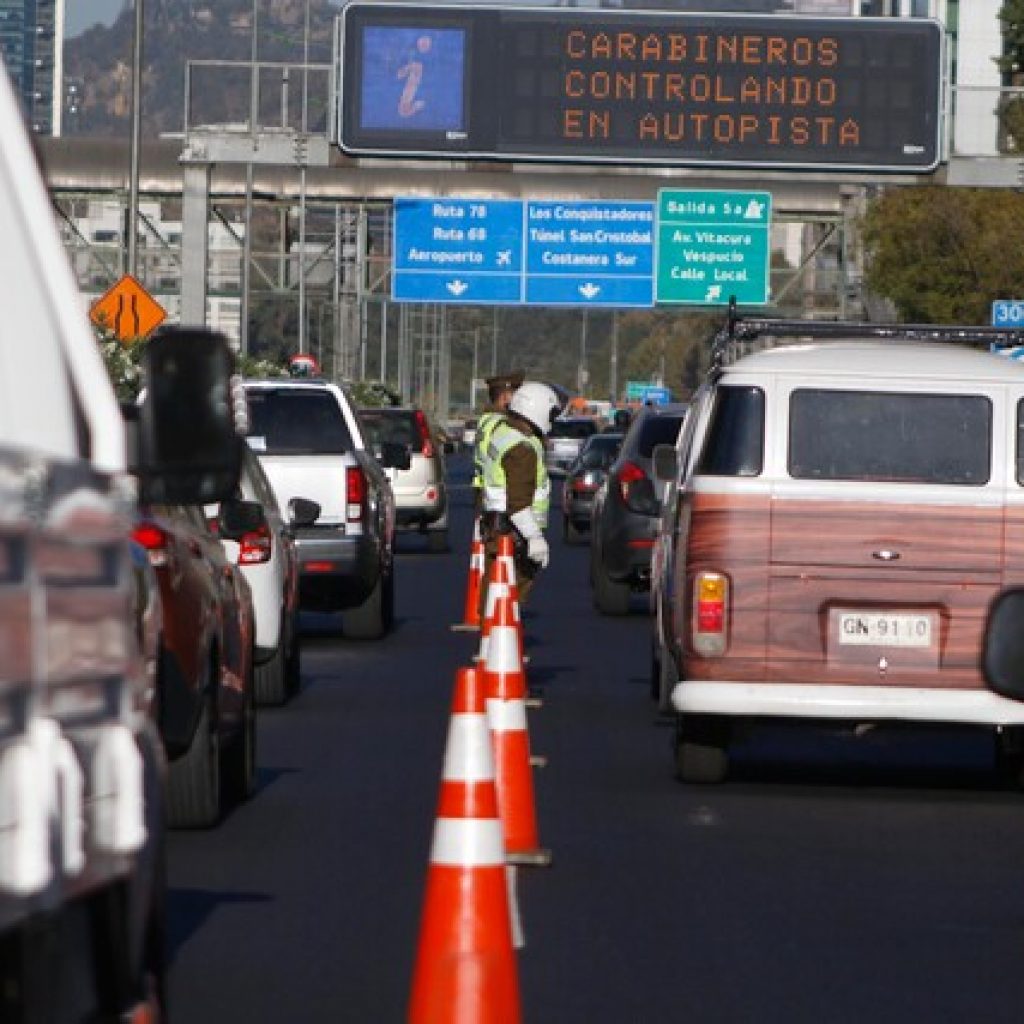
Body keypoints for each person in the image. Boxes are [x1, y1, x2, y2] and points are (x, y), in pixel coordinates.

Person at [478, 381, 561, 614]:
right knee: (510, 591)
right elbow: (518, 503)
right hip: (513, 533)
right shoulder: (522, 449)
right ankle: (501, 639)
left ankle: (493, 636)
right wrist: (534, 537)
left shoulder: (504, 432)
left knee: (495, 587)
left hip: (498, 527)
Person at [472, 369, 525, 508]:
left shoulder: (486, 419)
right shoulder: (501, 424)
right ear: (505, 397)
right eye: (514, 393)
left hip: (486, 490)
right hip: (500, 493)